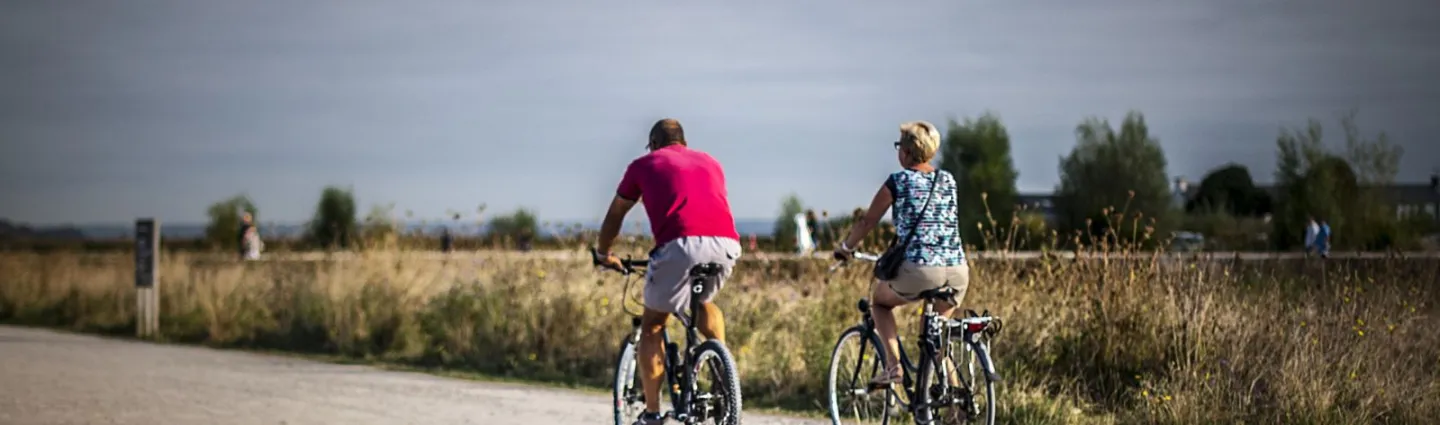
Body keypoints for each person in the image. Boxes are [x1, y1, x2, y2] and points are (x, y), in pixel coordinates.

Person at [593, 118, 742, 425]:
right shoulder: (710, 161)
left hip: (680, 245)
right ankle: (721, 370)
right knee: (701, 304)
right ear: (683, 142)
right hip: (727, 245)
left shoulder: (644, 164)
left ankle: (651, 413)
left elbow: (616, 213)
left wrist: (604, 253)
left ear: (654, 144)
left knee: (653, 325)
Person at [833, 120, 969, 387]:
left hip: (921, 269)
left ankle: (893, 368)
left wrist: (846, 248)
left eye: (899, 146)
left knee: (880, 303)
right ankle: (956, 406)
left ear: (905, 152)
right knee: (935, 339)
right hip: (958, 272)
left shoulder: (898, 181)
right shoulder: (948, 180)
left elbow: (867, 222)